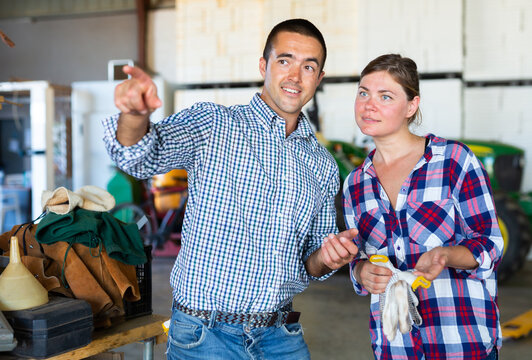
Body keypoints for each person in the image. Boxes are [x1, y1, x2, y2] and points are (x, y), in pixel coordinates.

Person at [102, 18, 358, 359]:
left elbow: (311, 264)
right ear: (264, 65)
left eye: (308, 66)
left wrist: (328, 258)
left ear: (319, 79)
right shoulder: (214, 124)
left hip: (280, 336)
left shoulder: (322, 165)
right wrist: (134, 115)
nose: (295, 76)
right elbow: (140, 158)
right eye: (285, 61)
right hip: (205, 335)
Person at [342, 54, 503, 359]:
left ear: (411, 106)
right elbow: (359, 259)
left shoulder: (454, 161)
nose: (368, 105)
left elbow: (490, 244)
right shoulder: (355, 184)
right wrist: (362, 272)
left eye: (385, 96)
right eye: (363, 93)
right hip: (395, 347)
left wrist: (447, 254)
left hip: (460, 343)